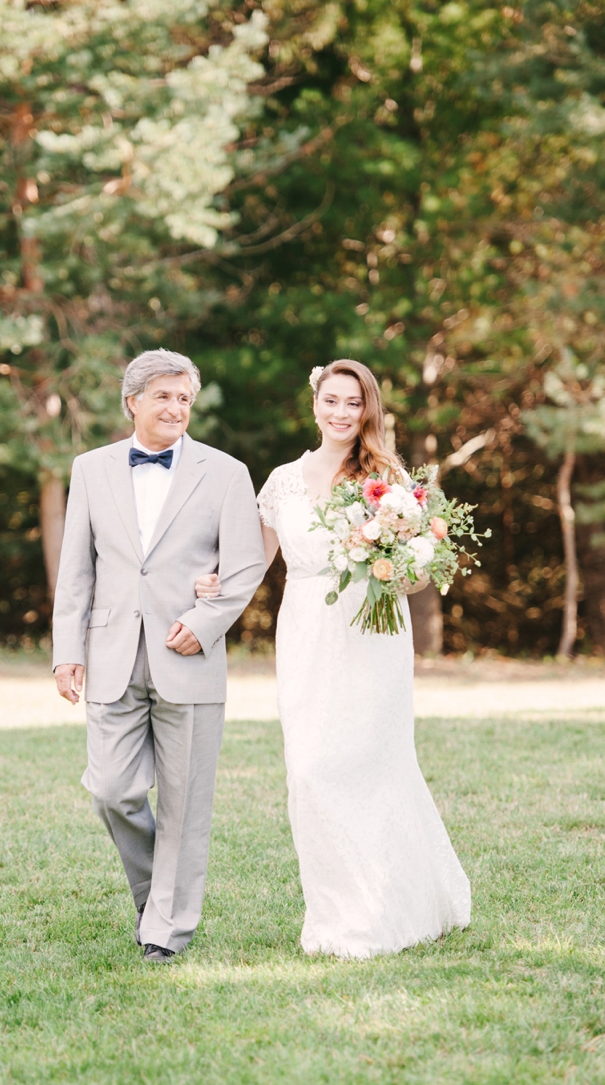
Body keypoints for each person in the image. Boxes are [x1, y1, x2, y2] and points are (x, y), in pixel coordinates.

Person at [195, 359, 470, 958]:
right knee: (312, 768)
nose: (343, 413)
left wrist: (407, 560)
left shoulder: (388, 477)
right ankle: (335, 909)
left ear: (368, 410)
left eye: (354, 403)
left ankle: (378, 913)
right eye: (333, 400)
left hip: (374, 629)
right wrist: (213, 590)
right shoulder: (281, 481)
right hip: (307, 631)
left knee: (373, 760)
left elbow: (419, 574)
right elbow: (253, 561)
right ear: (315, 402)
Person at [52, 349, 265, 962]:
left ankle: (166, 931)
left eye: (183, 398)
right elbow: (76, 568)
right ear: (133, 403)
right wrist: (68, 650)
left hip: (189, 654)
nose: (176, 408)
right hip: (111, 651)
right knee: (112, 790)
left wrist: (206, 621)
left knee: (184, 801)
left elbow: (247, 564)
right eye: (164, 397)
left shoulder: (225, 472)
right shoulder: (90, 469)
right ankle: (156, 896)